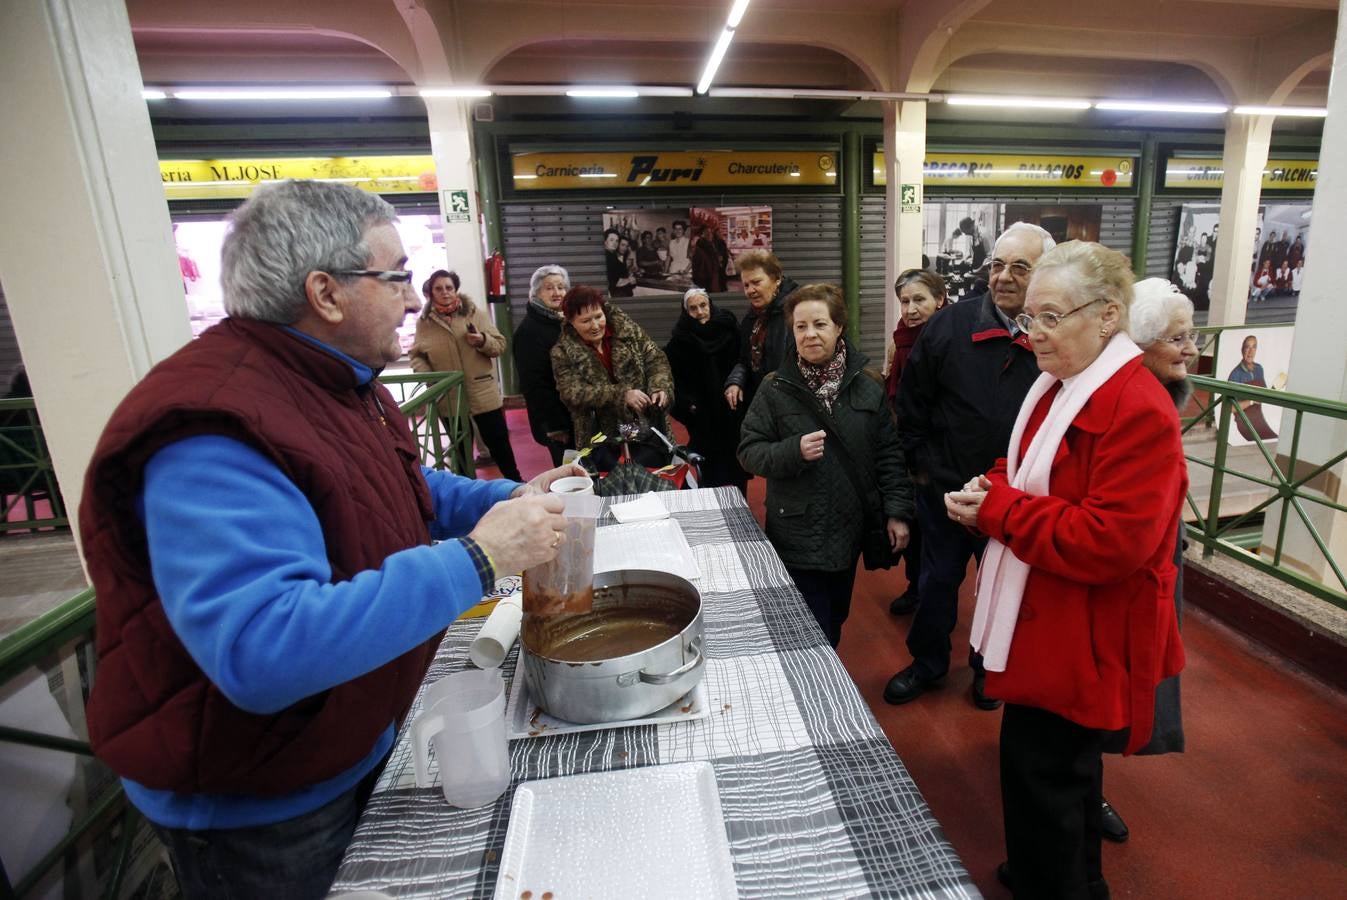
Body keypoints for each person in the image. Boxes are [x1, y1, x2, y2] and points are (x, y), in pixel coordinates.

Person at [78, 180, 580, 900]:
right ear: (326, 292)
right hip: (263, 803)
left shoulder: (333, 381)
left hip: (344, 738)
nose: (411, 299)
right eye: (396, 276)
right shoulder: (214, 428)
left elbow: (390, 485)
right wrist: (480, 556)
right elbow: (264, 649)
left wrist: (504, 497)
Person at [946, 242, 1187, 900]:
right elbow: (1029, 471)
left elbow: (1111, 542)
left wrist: (999, 511)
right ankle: (1064, 879)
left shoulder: (1137, 409)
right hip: (1053, 622)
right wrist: (989, 488)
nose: (1034, 334)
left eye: (1051, 317)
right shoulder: (1063, 385)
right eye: (1030, 318)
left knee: (1045, 779)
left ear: (1107, 315)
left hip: (1084, 634)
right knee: (1058, 778)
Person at [885, 222, 1054, 711]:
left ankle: (987, 669)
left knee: (1003, 591)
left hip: (1015, 499)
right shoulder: (949, 326)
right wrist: (922, 470)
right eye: (997, 265)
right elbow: (913, 403)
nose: (1004, 276)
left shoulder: (1054, 334)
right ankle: (927, 663)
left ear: (1045, 272)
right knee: (937, 582)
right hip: (946, 490)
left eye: (1020, 267)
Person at [738, 283, 913, 647]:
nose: (810, 334)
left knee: (835, 616)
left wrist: (897, 511)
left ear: (839, 327)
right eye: (800, 326)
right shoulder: (775, 388)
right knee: (809, 627)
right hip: (796, 529)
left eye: (820, 324)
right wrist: (793, 451)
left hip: (849, 530)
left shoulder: (868, 385)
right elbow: (749, 451)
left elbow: (889, 454)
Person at [410, 269, 522, 482]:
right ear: (431, 293)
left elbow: (500, 345)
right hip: (449, 396)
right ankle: (468, 490)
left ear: (456, 290)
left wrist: (482, 340)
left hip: (483, 392)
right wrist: (429, 378)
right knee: (460, 452)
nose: (445, 292)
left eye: (449, 287)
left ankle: (516, 484)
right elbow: (417, 355)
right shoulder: (424, 323)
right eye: (438, 289)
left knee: (499, 444)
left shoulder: (475, 314)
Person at [551, 284, 675, 471]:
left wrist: (659, 386)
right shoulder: (562, 352)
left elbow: (655, 359)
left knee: (657, 477)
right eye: (586, 321)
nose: (595, 326)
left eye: (598, 316)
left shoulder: (628, 331)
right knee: (613, 484)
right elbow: (572, 393)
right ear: (571, 322)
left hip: (647, 429)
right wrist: (621, 395)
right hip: (600, 438)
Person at [884, 269, 947, 617]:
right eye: (905, 301)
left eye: (919, 300)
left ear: (939, 300)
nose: (910, 309)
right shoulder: (899, 340)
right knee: (913, 522)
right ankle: (915, 586)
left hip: (939, 450)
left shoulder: (951, 340)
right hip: (906, 445)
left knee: (938, 532)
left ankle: (932, 596)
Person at [665, 287, 747, 493]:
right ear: (686, 312)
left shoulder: (729, 329)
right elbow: (672, 381)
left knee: (738, 468)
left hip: (733, 412)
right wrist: (689, 407)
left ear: (710, 304)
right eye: (693, 308)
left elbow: (744, 361)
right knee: (709, 473)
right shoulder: (679, 340)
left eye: (703, 305)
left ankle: (742, 504)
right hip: (703, 420)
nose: (700, 312)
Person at [723, 249, 800, 414]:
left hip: (792, 407)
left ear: (777, 279)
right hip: (765, 405)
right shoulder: (752, 318)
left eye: (756, 282)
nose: (750, 290)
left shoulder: (798, 313)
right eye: (746, 285)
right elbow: (745, 360)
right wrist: (735, 381)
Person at [513, 265, 574, 467]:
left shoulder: (565, 321)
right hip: (558, 422)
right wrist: (555, 425)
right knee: (570, 472)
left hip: (576, 417)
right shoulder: (529, 331)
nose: (557, 293)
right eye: (549, 288)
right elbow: (533, 384)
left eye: (561, 287)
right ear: (536, 293)